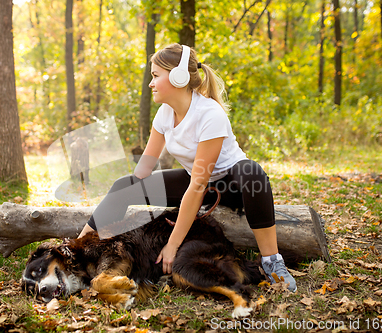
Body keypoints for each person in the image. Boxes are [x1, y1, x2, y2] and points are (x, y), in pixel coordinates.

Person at [78, 43, 296, 292]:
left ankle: (271, 262)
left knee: (252, 172)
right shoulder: (164, 114)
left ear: (178, 77)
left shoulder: (210, 114)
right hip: (198, 180)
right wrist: (124, 188)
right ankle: (78, 247)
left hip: (232, 185)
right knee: (123, 185)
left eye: (155, 76)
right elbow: (143, 170)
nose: (151, 83)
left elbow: (198, 186)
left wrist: (172, 244)